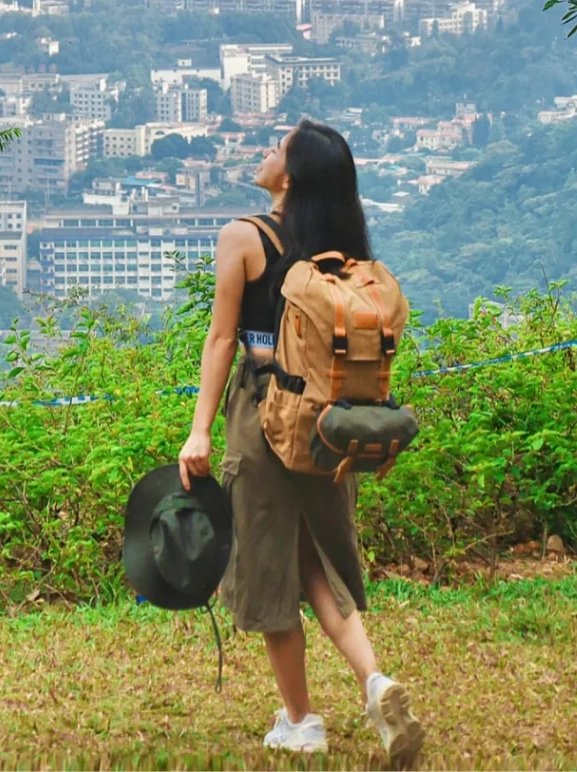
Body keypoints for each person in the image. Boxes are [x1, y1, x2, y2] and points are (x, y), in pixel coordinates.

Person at [177, 117, 424, 762]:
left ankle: (301, 720)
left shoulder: (244, 237)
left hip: (262, 420)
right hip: (326, 427)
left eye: (274, 149)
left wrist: (200, 431)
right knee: (315, 562)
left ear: (288, 177)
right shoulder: (344, 247)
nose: (262, 154)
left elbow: (222, 341)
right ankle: (375, 682)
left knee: (271, 569)